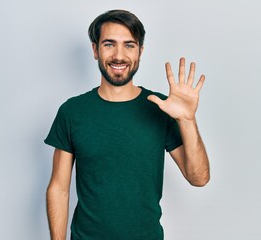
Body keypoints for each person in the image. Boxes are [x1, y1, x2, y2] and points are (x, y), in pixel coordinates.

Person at [45, 9, 210, 240]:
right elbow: (59, 188)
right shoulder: (72, 112)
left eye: (129, 45)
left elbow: (199, 178)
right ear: (95, 49)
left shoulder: (161, 108)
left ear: (140, 51)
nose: (119, 55)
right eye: (109, 44)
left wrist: (187, 120)